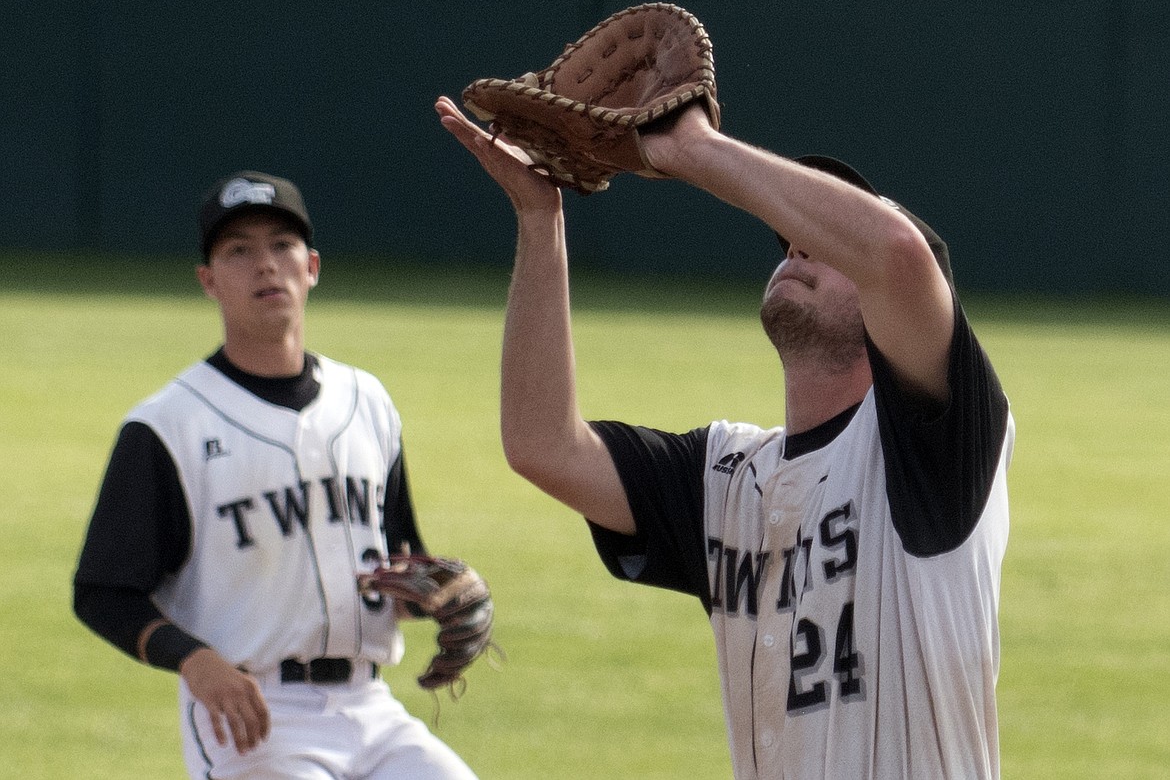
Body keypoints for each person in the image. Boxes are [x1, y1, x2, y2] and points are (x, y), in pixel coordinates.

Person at [435, 95, 1012, 779]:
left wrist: (691, 148)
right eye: (794, 237)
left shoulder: (934, 450)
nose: (796, 243)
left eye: (827, 241)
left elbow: (894, 252)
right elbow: (542, 444)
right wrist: (539, 219)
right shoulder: (726, 477)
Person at [73, 171, 480, 780]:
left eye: (281, 245)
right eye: (238, 250)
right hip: (255, 715)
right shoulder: (167, 426)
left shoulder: (367, 401)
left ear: (311, 266)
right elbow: (103, 591)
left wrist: (442, 594)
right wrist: (194, 660)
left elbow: (400, 558)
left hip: (371, 707)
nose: (265, 265)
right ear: (208, 281)